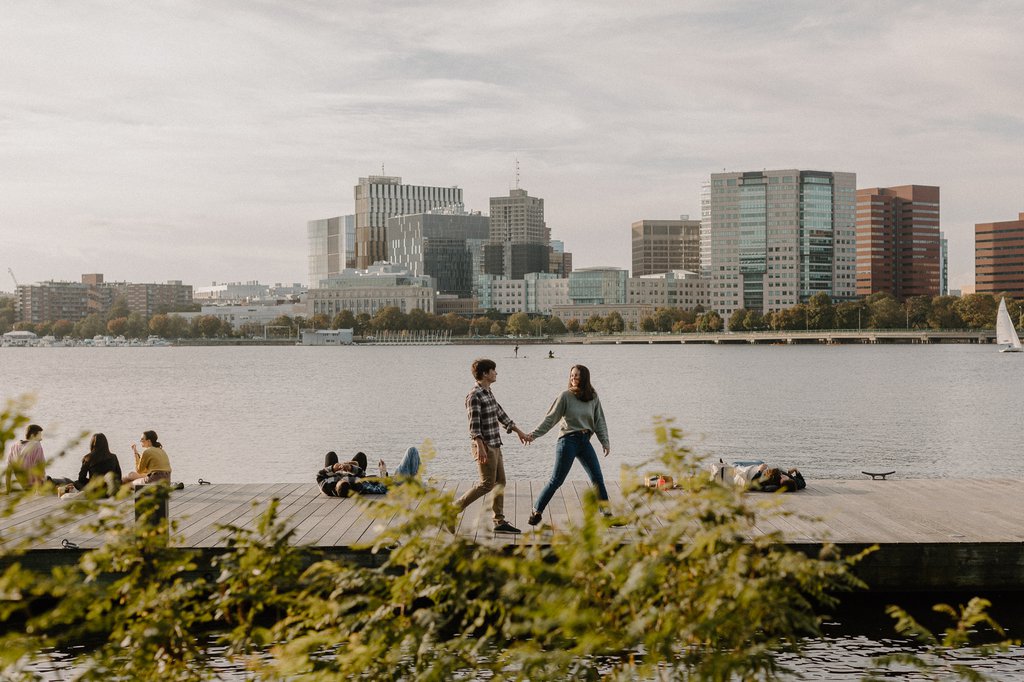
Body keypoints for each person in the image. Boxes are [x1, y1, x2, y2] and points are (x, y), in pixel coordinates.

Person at [527, 364, 611, 526]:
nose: (573, 378)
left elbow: (599, 420)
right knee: (557, 480)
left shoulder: (593, 396)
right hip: (568, 441)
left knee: (597, 478)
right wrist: (534, 435)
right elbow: (551, 419)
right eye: (571, 375)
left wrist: (604, 441)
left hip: (585, 441)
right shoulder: (565, 396)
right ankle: (536, 510)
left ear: (584, 378)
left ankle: (607, 514)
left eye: (577, 376)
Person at [455, 358, 531, 534]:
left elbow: (500, 414)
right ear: (485, 373)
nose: (496, 373)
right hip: (485, 446)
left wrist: (519, 432)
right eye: (493, 370)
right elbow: (473, 426)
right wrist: (480, 447)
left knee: (500, 482)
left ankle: (499, 521)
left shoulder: (488, 392)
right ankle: (452, 510)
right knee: (486, 484)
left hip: (496, 444)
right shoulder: (474, 395)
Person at [316, 447, 421, 497]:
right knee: (412, 451)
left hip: (335, 474)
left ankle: (414, 479)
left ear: (336, 485)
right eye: (344, 480)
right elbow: (364, 476)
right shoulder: (358, 486)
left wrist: (335, 468)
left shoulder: (328, 485)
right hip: (392, 482)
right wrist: (383, 472)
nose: (343, 478)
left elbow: (319, 475)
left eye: (341, 480)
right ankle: (414, 480)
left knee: (331, 455)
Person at [4, 424, 46, 492]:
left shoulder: (15, 445)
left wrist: (8, 488)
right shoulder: (36, 445)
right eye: (39, 435)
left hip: (21, 485)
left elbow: (9, 468)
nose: (41, 438)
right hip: (33, 485)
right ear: (32, 435)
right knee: (64, 482)